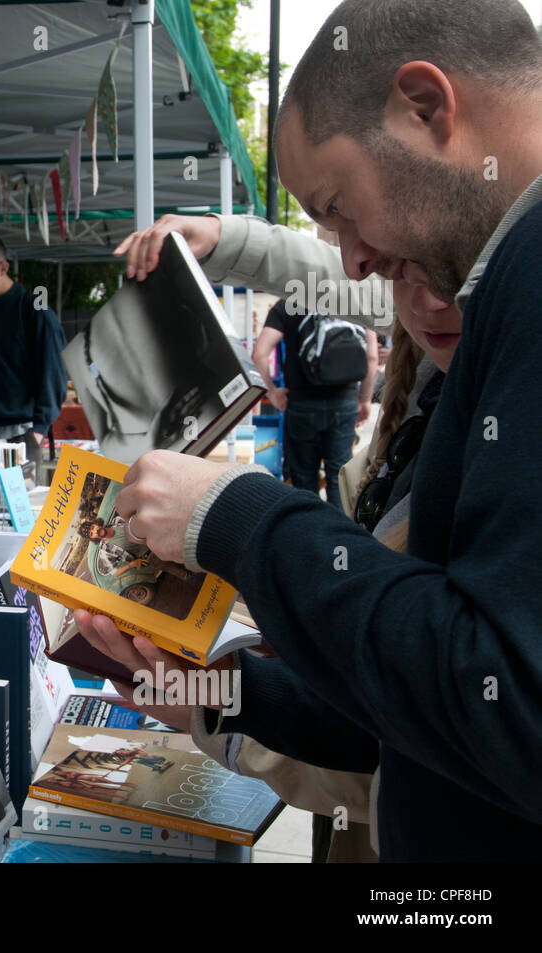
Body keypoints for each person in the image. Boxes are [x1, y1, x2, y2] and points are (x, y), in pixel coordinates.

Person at [92, 0, 542, 862]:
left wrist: (241, 517)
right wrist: (218, 692)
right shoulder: (493, 272)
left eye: (337, 206)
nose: (353, 262)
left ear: (426, 105)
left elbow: (504, 701)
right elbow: (415, 698)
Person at [254, 298, 379, 507]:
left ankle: (309, 532)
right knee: (339, 475)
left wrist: (273, 392)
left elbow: (259, 354)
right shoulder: (353, 300)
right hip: (344, 402)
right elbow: (372, 357)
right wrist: (364, 399)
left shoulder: (288, 304)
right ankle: (340, 535)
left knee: (303, 476)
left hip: (301, 404)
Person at [0, 231, 67, 463]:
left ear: (3, 268)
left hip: (21, 435)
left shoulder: (35, 311)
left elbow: (54, 377)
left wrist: (37, 431)